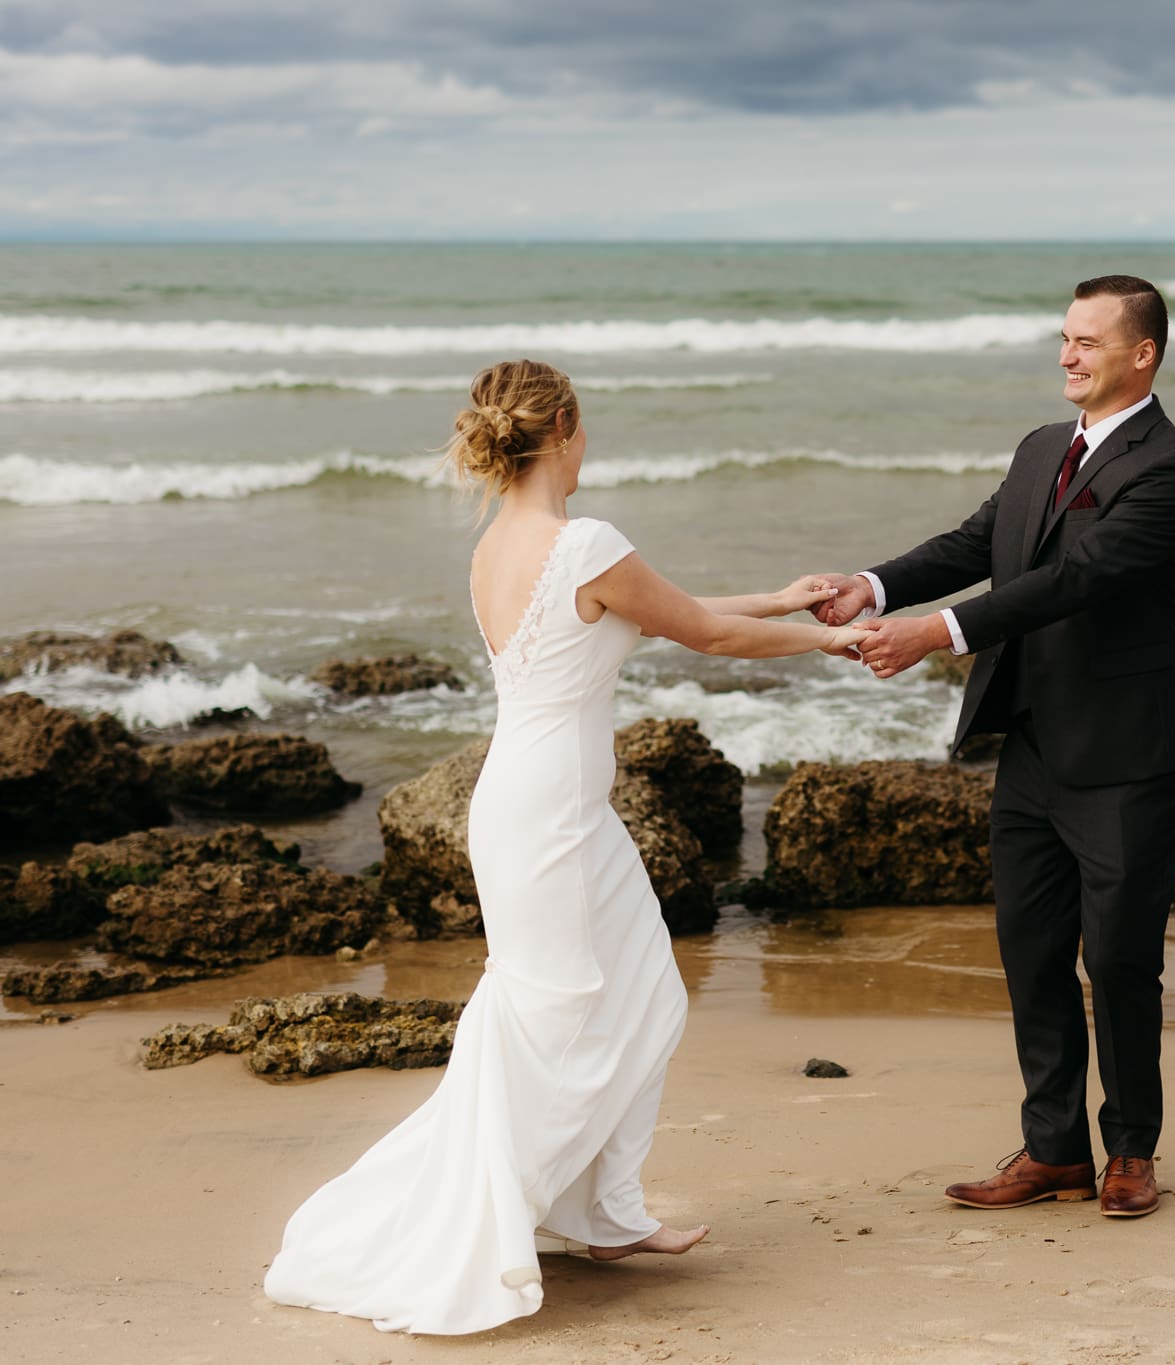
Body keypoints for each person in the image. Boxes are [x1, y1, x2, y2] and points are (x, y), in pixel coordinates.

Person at [262, 359, 869, 1335]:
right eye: (590, 431)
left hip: (545, 808)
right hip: (543, 814)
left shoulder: (505, 543)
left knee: (635, 995)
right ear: (566, 430)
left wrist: (781, 598)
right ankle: (514, 1216)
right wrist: (828, 642)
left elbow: (669, 608)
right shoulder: (583, 541)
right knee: (557, 1020)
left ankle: (602, 1213)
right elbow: (700, 636)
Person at [815, 274, 1175, 1220]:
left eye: (1089, 342)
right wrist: (873, 588)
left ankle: (1129, 1151)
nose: (1068, 356)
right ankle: (1052, 1150)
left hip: (1130, 752)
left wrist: (938, 634)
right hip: (1031, 742)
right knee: (1031, 951)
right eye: (1063, 339)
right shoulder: (1043, 448)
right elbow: (980, 543)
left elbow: (1077, 578)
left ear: (1142, 354)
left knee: (1118, 959)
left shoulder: (1172, 467)